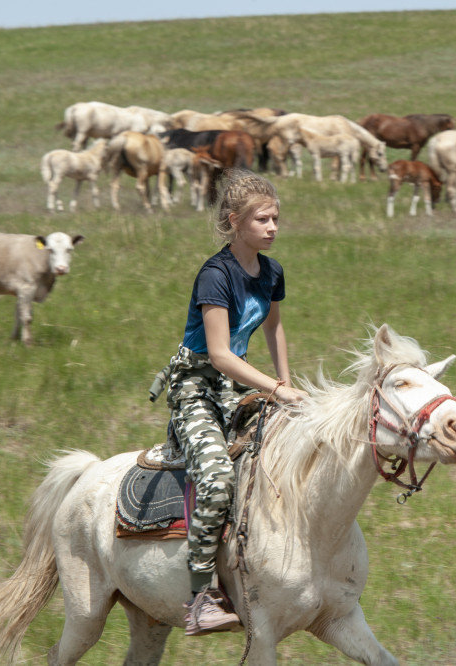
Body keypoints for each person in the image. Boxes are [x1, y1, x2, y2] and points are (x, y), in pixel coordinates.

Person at [165, 168, 304, 636]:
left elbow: (274, 327)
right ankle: (200, 596)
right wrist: (275, 389)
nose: (273, 227)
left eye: (276, 219)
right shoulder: (215, 274)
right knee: (221, 478)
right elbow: (221, 354)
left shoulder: (272, 272)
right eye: (263, 220)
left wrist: (284, 381)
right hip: (197, 388)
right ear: (234, 221)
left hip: (239, 386)